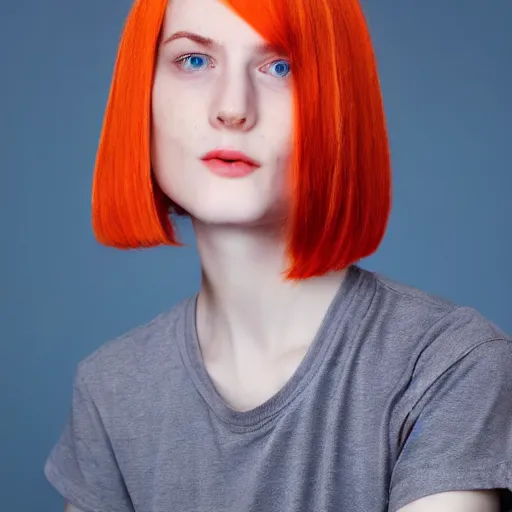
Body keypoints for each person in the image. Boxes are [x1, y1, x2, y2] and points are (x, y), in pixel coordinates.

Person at [44, 0, 512, 510]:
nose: (232, 107)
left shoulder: (449, 364)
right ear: (144, 92)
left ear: (336, 100)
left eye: (280, 66)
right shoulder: (111, 388)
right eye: (194, 61)